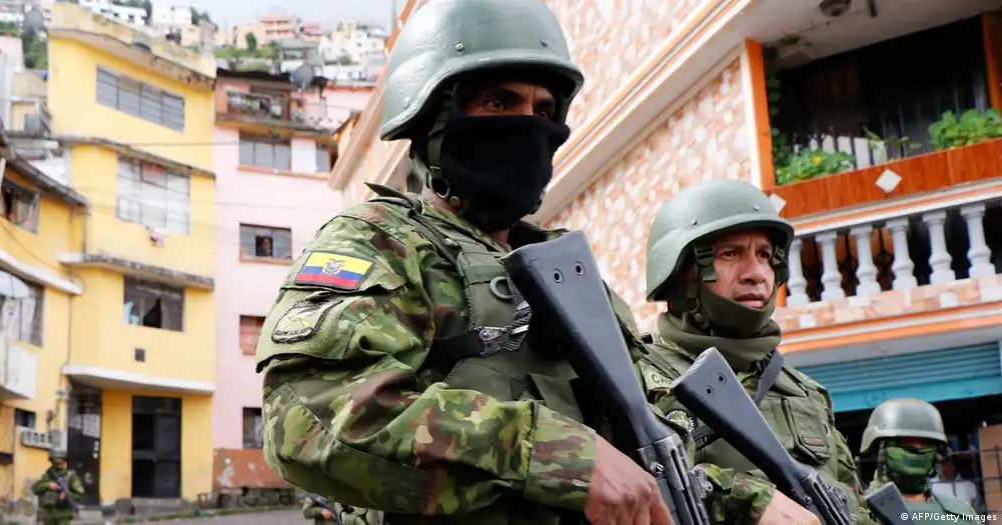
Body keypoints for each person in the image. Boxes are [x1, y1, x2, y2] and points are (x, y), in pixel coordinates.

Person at [256, 1, 789, 524]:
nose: (528, 128)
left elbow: (646, 448)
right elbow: (310, 418)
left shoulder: (574, 280)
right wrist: (556, 455)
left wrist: (743, 502)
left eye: (544, 112)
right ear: (433, 119)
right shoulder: (380, 241)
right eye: (498, 103)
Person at [635, 178, 873, 525]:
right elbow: (633, 486)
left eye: (765, 255)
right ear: (680, 272)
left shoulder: (805, 392)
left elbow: (853, 504)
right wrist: (744, 500)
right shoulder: (636, 374)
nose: (756, 273)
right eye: (730, 254)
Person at [861, 398, 981, 524]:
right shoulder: (858, 513)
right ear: (880, 448)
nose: (918, 448)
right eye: (907, 442)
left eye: (926, 443)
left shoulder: (962, 513)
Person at [31, 449, 85, 525]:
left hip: (63, 515)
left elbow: (79, 493)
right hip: (48, 515)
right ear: (52, 460)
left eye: (61, 459)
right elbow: (35, 489)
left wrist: (67, 495)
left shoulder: (71, 476)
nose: (58, 461)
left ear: (64, 460)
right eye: (56, 459)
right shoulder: (47, 476)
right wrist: (48, 485)